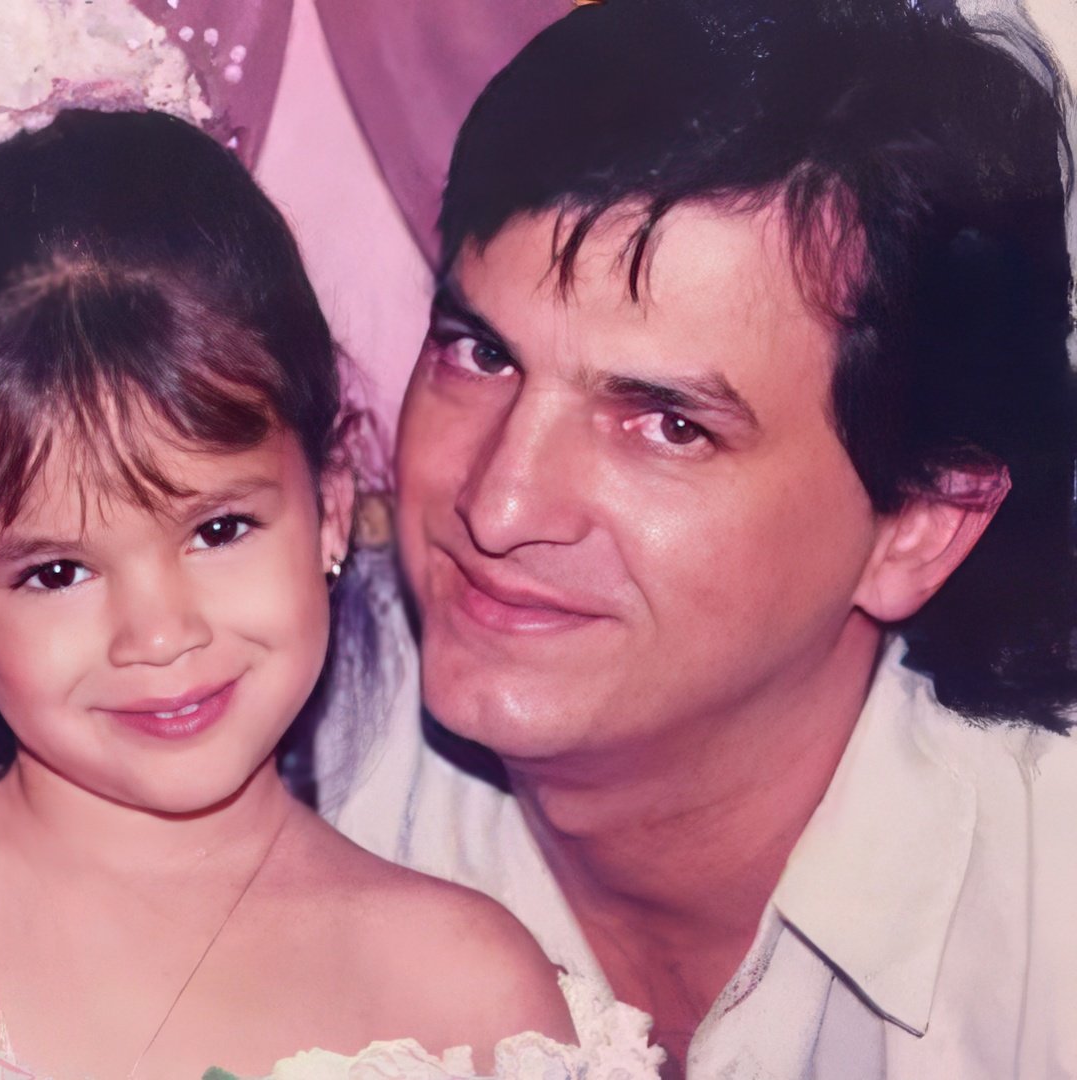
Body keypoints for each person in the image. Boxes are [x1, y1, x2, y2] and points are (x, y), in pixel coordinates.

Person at [0, 109, 674, 1080]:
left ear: (333, 509)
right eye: (57, 572)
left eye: (218, 530)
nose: (160, 634)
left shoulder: (472, 996)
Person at [320, 1, 1077, 1076]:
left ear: (918, 523)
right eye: (479, 354)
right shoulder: (254, 748)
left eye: (668, 425)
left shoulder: (1051, 919)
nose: (498, 505)